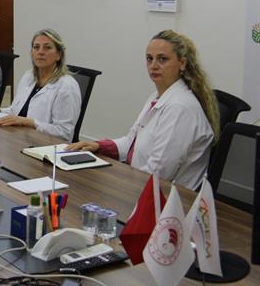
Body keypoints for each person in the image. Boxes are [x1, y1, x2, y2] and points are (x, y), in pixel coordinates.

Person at [67, 30, 218, 189]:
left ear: (182, 63)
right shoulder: (158, 96)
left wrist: (117, 180)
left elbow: (159, 172)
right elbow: (131, 142)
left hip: (166, 197)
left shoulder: (180, 108)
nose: (154, 65)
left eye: (162, 59)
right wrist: (99, 146)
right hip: (142, 184)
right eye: (149, 59)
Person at [0, 29, 81, 140]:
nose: (40, 52)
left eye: (47, 47)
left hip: (43, 145)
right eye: (36, 47)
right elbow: (15, 111)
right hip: (19, 137)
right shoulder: (29, 76)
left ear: (58, 55)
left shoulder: (67, 86)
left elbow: (64, 133)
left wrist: (29, 122)